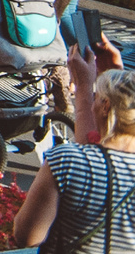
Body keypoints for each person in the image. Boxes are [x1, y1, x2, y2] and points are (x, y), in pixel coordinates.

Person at [13, 41, 135, 251]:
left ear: (106, 106)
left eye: (96, 98)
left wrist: (84, 85)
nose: (93, 103)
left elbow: (27, 236)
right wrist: (116, 84)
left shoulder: (66, 161)